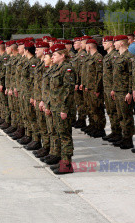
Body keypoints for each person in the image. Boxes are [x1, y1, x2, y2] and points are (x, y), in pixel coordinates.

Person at [49, 44, 76, 174]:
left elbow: (68, 90)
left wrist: (64, 109)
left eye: (54, 54)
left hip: (63, 107)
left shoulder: (67, 69)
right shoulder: (56, 68)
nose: (52, 57)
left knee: (65, 135)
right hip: (55, 106)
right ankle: (62, 161)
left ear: (62, 56)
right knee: (59, 134)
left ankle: (67, 164)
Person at [110, 35, 135, 149]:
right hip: (118, 90)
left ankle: (128, 139)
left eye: (115, 42)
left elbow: (131, 76)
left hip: (125, 91)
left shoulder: (129, 57)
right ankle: (123, 136)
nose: (113, 44)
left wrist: (130, 92)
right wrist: (114, 89)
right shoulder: (118, 57)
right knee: (120, 115)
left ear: (121, 43)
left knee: (127, 116)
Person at [83, 39, 106, 138]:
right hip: (89, 87)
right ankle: (94, 126)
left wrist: (97, 89)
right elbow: (87, 73)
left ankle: (100, 128)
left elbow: (99, 74)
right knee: (91, 108)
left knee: (98, 109)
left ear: (89, 46)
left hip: (95, 88)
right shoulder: (89, 57)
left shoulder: (98, 57)